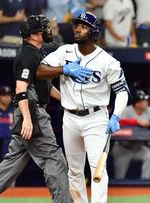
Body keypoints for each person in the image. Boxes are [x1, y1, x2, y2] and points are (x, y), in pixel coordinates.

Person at [0, 15, 92, 203]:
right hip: (31, 110)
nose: (47, 31)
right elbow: (21, 88)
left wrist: (70, 101)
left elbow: (48, 87)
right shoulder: (27, 54)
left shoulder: (38, 52)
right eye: (43, 28)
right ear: (34, 35)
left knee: (13, 161)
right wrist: (27, 119)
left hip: (31, 109)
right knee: (54, 159)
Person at [37, 12, 129, 203]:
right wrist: (64, 69)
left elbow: (122, 91)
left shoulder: (107, 61)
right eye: (77, 25)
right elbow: (40, 71)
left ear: (94, 32)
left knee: (97, 169)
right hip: (70, 117)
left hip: (96, 118)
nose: (78, 29)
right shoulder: (65, 52)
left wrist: (117, 116)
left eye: (84, 26)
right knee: (75, 170)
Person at [112, 90, 150, 180]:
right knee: (119, 178)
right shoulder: (126, 110)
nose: (147, 102)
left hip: (138, 148)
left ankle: (145, 183)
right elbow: (117, 121)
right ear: (137, 103)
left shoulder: (149, 110)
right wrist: (136, 122)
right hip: (122, 148)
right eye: (144, 100)